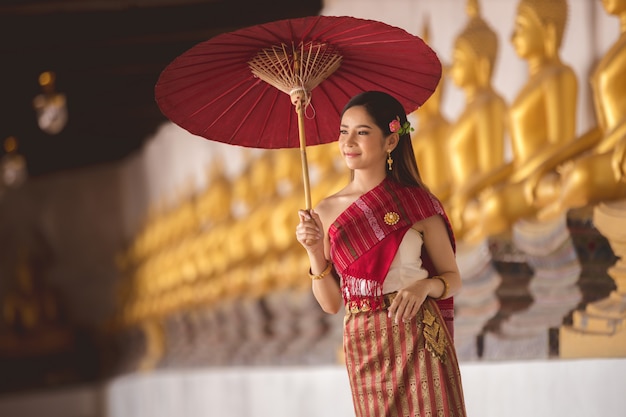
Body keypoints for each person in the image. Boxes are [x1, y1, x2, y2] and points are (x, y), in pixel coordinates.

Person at [296, 91, 467, 417]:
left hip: (416, 330)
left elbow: (453, 278)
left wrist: (424, 286)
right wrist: (314, 251)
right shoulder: (326, 211)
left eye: (362, 132)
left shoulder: (417, 203)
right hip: (363, 340)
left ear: (391, 141)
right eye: (343, 131)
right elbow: (331, 304)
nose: (348, 141)